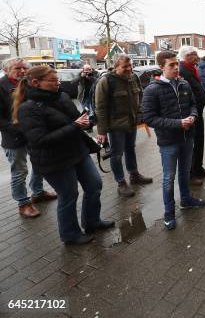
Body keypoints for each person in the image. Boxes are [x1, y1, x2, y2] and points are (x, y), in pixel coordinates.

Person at [14, 66, 113, 245]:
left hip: (77, 151)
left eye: (57, 79)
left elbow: (75, 119)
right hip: (53, 160)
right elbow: (39, 140)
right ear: (36, 83)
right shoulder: (27, 108)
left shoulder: (62, 96)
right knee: (68, 195)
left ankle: (92, 221)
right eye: (53, 81)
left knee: (94, 184)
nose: (58, 83)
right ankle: (70, 234)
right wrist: (75, 125)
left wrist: (86, 121)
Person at [142, 51, 205, 230]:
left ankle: (185, 200)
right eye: (171, 65)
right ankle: (169, 212)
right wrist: (178, 123)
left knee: (185, 173)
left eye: (176, 64)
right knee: (169, 178)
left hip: (187, 138)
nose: (176, 67)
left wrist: (193, 117)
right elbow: (149, 118)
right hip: (168, 141)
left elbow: (193, 105)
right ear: (162, 67)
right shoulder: (152, 89)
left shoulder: (184, 83)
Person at [0, 58, 56, 217]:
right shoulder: (1, 87)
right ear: (6, 70)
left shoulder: (30, 83)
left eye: (24, 68)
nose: (22, 71)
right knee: (19, 171)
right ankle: (23, 203)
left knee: (39, 163)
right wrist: (18, 129)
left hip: (34, 134)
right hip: (14, 138)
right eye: (17, 68)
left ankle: (38, 192)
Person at [95, 54, 152, 197]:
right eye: (125, 66)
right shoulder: (106, 81)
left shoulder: (134, 78)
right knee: (116, 154)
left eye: (130, 65)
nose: (129, 69)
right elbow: (100, 108)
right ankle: (121, 182)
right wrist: (102, 131)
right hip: (115, 126)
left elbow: (140, 97)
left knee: (130, 149)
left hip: (131, 123)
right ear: (115, 67)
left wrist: (140, 115)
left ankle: (134, 174)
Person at [178, 46, 205, 185]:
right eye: (194, 54)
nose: (197, 56)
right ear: (186, 56)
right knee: (191, 144)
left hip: (198, 112)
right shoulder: (182, 70)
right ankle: (190, 173)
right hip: (190, 114)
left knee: (199, 141)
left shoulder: (193, 68)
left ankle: (198, 168)